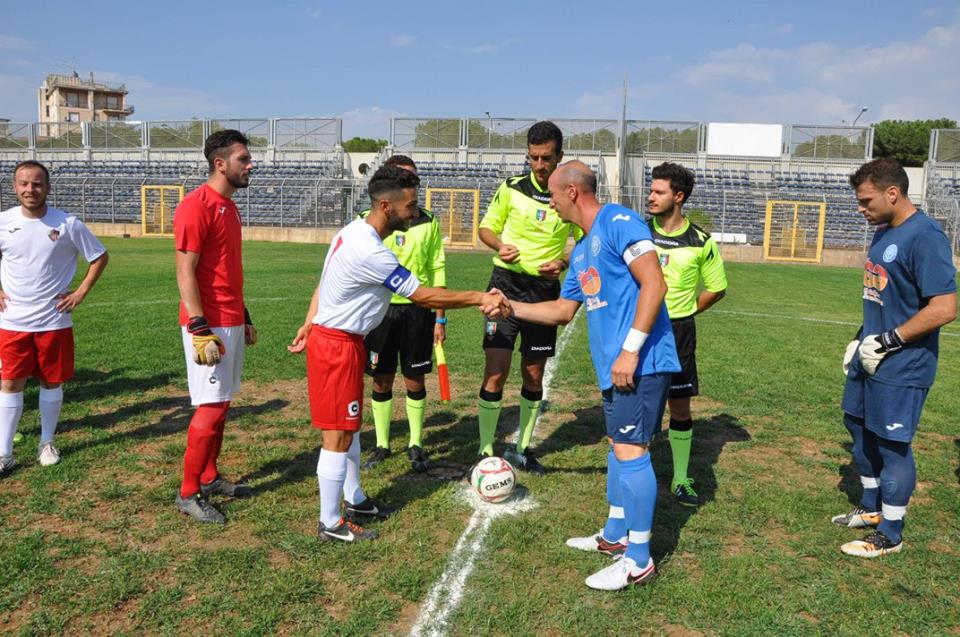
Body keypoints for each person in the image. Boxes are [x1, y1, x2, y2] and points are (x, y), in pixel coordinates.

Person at [289, 165, 509, 543]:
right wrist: (479, 297)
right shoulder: (371, 250)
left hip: (346, 341)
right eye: (409, 205)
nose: (415, 211)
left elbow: (323, 283)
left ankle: (354, 498)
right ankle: (330, 522)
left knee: (351, 426)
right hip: (337, 346)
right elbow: (422, 295)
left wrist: (311, 321)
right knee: (338, 435)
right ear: (386, 206)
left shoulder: (353, 231)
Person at [503, 161, 680, 590]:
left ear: (572, 192)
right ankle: (615, 536)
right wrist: (510, 306)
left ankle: (638, 559)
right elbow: (563, 312)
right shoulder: (581, 250)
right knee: (619, 447)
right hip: (616, 368)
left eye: (552, 195)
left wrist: (630, 350)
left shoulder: (618, 220)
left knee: (632, 451)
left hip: (640, 362)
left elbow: (655, 284)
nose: (551, 204)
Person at [836, 158, 956, 557]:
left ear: (893, 193)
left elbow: (944, 307)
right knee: (856, 424)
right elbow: (881, 297)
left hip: (902, 364)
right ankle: (871, 509)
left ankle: (890, 532)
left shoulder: (925, 237)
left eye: (866, 200)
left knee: (892, 446)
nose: (860, 208)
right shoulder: (883, 231)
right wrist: (860, 340)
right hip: (869, 355)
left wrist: (887, 341)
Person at [476, 120, 580, 475]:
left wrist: (564, 261)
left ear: (559, 156)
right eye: (533, 157)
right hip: (504, 285)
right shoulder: (510, 188)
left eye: (546, 158)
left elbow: (585, 236)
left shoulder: (568, 193)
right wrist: (499, 245)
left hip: (544, 294)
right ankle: (485, 450)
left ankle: (522, 449)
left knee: (533, 373)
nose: (538, 165)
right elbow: (486, 228)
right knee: (496, 371)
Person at [0, 160, 109, 473]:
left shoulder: (67, 224)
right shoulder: (3, 221)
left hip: (53, 320)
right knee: (9, 383)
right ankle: (4, 452)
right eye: (24, 183)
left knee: (51, 381)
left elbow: (99, 256)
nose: (30, 189)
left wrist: (81, 292)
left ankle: (46, 442)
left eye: (37, 184)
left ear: (48, 187)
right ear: (14, 187)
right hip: (12, 321)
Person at [173, 130, 258, 524]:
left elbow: (226, 270)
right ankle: (188, 493)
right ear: (220, 163)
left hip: (230, 319)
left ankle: (208, 476)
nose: (250, 164)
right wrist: (199, 326)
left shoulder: (230, 206)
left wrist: (245, 316)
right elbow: (185, 271)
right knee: (209, 408)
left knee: (222, 404)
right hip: (209, 323)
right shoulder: (197, 205)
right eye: (243, 158)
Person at [646, 162, 727, 506]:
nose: (650, 196)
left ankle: (680, 478)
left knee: (679, 406)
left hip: (678, 330)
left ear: (678, 197)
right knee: (640, 404)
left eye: (658, 191)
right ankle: (636, 471)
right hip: (640, 326)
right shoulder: (638, 231)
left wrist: (688, 310)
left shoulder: (701, 242)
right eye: (651, 190)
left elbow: (717, 288)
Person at [358, 155, 446, 472]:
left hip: (418, 310)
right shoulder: (366, 223)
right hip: (380, 311)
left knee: (414, 376)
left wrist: (440, 316)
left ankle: (416, 443)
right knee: (381, 379)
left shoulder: (428, 221)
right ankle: (382, 444)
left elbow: (437, 267)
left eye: (412, 179)